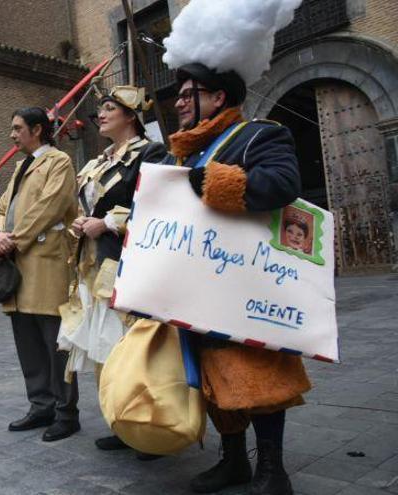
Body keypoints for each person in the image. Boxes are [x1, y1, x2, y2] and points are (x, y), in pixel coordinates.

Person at [160, 0, 310, 492]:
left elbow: (282, 183)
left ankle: (272, 467)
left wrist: (214, 182)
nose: (179, 101)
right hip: (200, 287)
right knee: (215, 378)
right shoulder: (183, 151)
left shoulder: (259, 135)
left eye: (189, 93)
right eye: (179, 94)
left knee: (258, 376)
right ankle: (232, 460)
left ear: (218, 95)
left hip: (247, 284)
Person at [58, 86, 167, 458]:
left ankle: (149, 427)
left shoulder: (151, 153)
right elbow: (85, 205)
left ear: (131, 115)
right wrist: (81, 223)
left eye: (108, 108)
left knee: (131, 348)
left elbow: (157, 206)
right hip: (92, 266)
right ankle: (121, 421)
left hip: (127, 264)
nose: (100, 115)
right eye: (99, 110)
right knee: (105, 347)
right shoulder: (97, 161)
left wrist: (106, 222)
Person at [0, 107, 79, 442]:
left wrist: (14, 240)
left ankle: (66, 412)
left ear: (37, 129)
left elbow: (52, 206)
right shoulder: (20, 167)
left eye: (17, 128)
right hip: (17, 265)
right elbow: (0, 209)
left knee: (56, 343)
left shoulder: (58, 162)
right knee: (27, 341)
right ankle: (40, 405)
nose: (12, 135)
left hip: (45, 264)